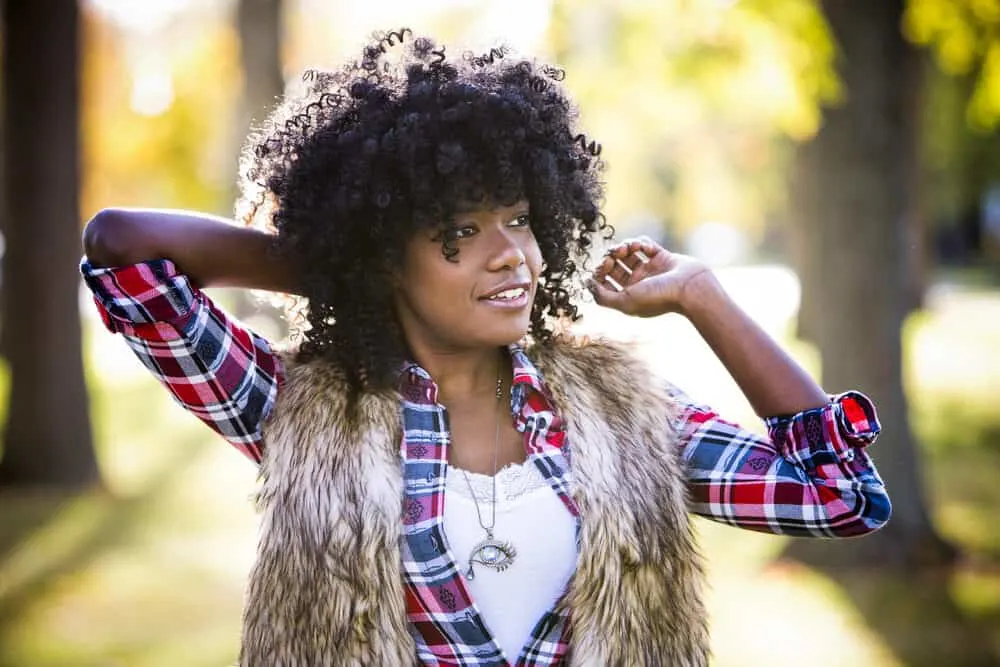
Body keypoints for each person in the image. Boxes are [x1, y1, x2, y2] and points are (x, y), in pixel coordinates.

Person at [80, 30, 890, 667]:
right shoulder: (299, 409)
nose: (513, 255)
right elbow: (120, 249)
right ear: (388, 253)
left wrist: (704, 298)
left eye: (520, 217)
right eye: (459, 233)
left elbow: (843, 495)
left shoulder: (621, 410)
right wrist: (349, 264)